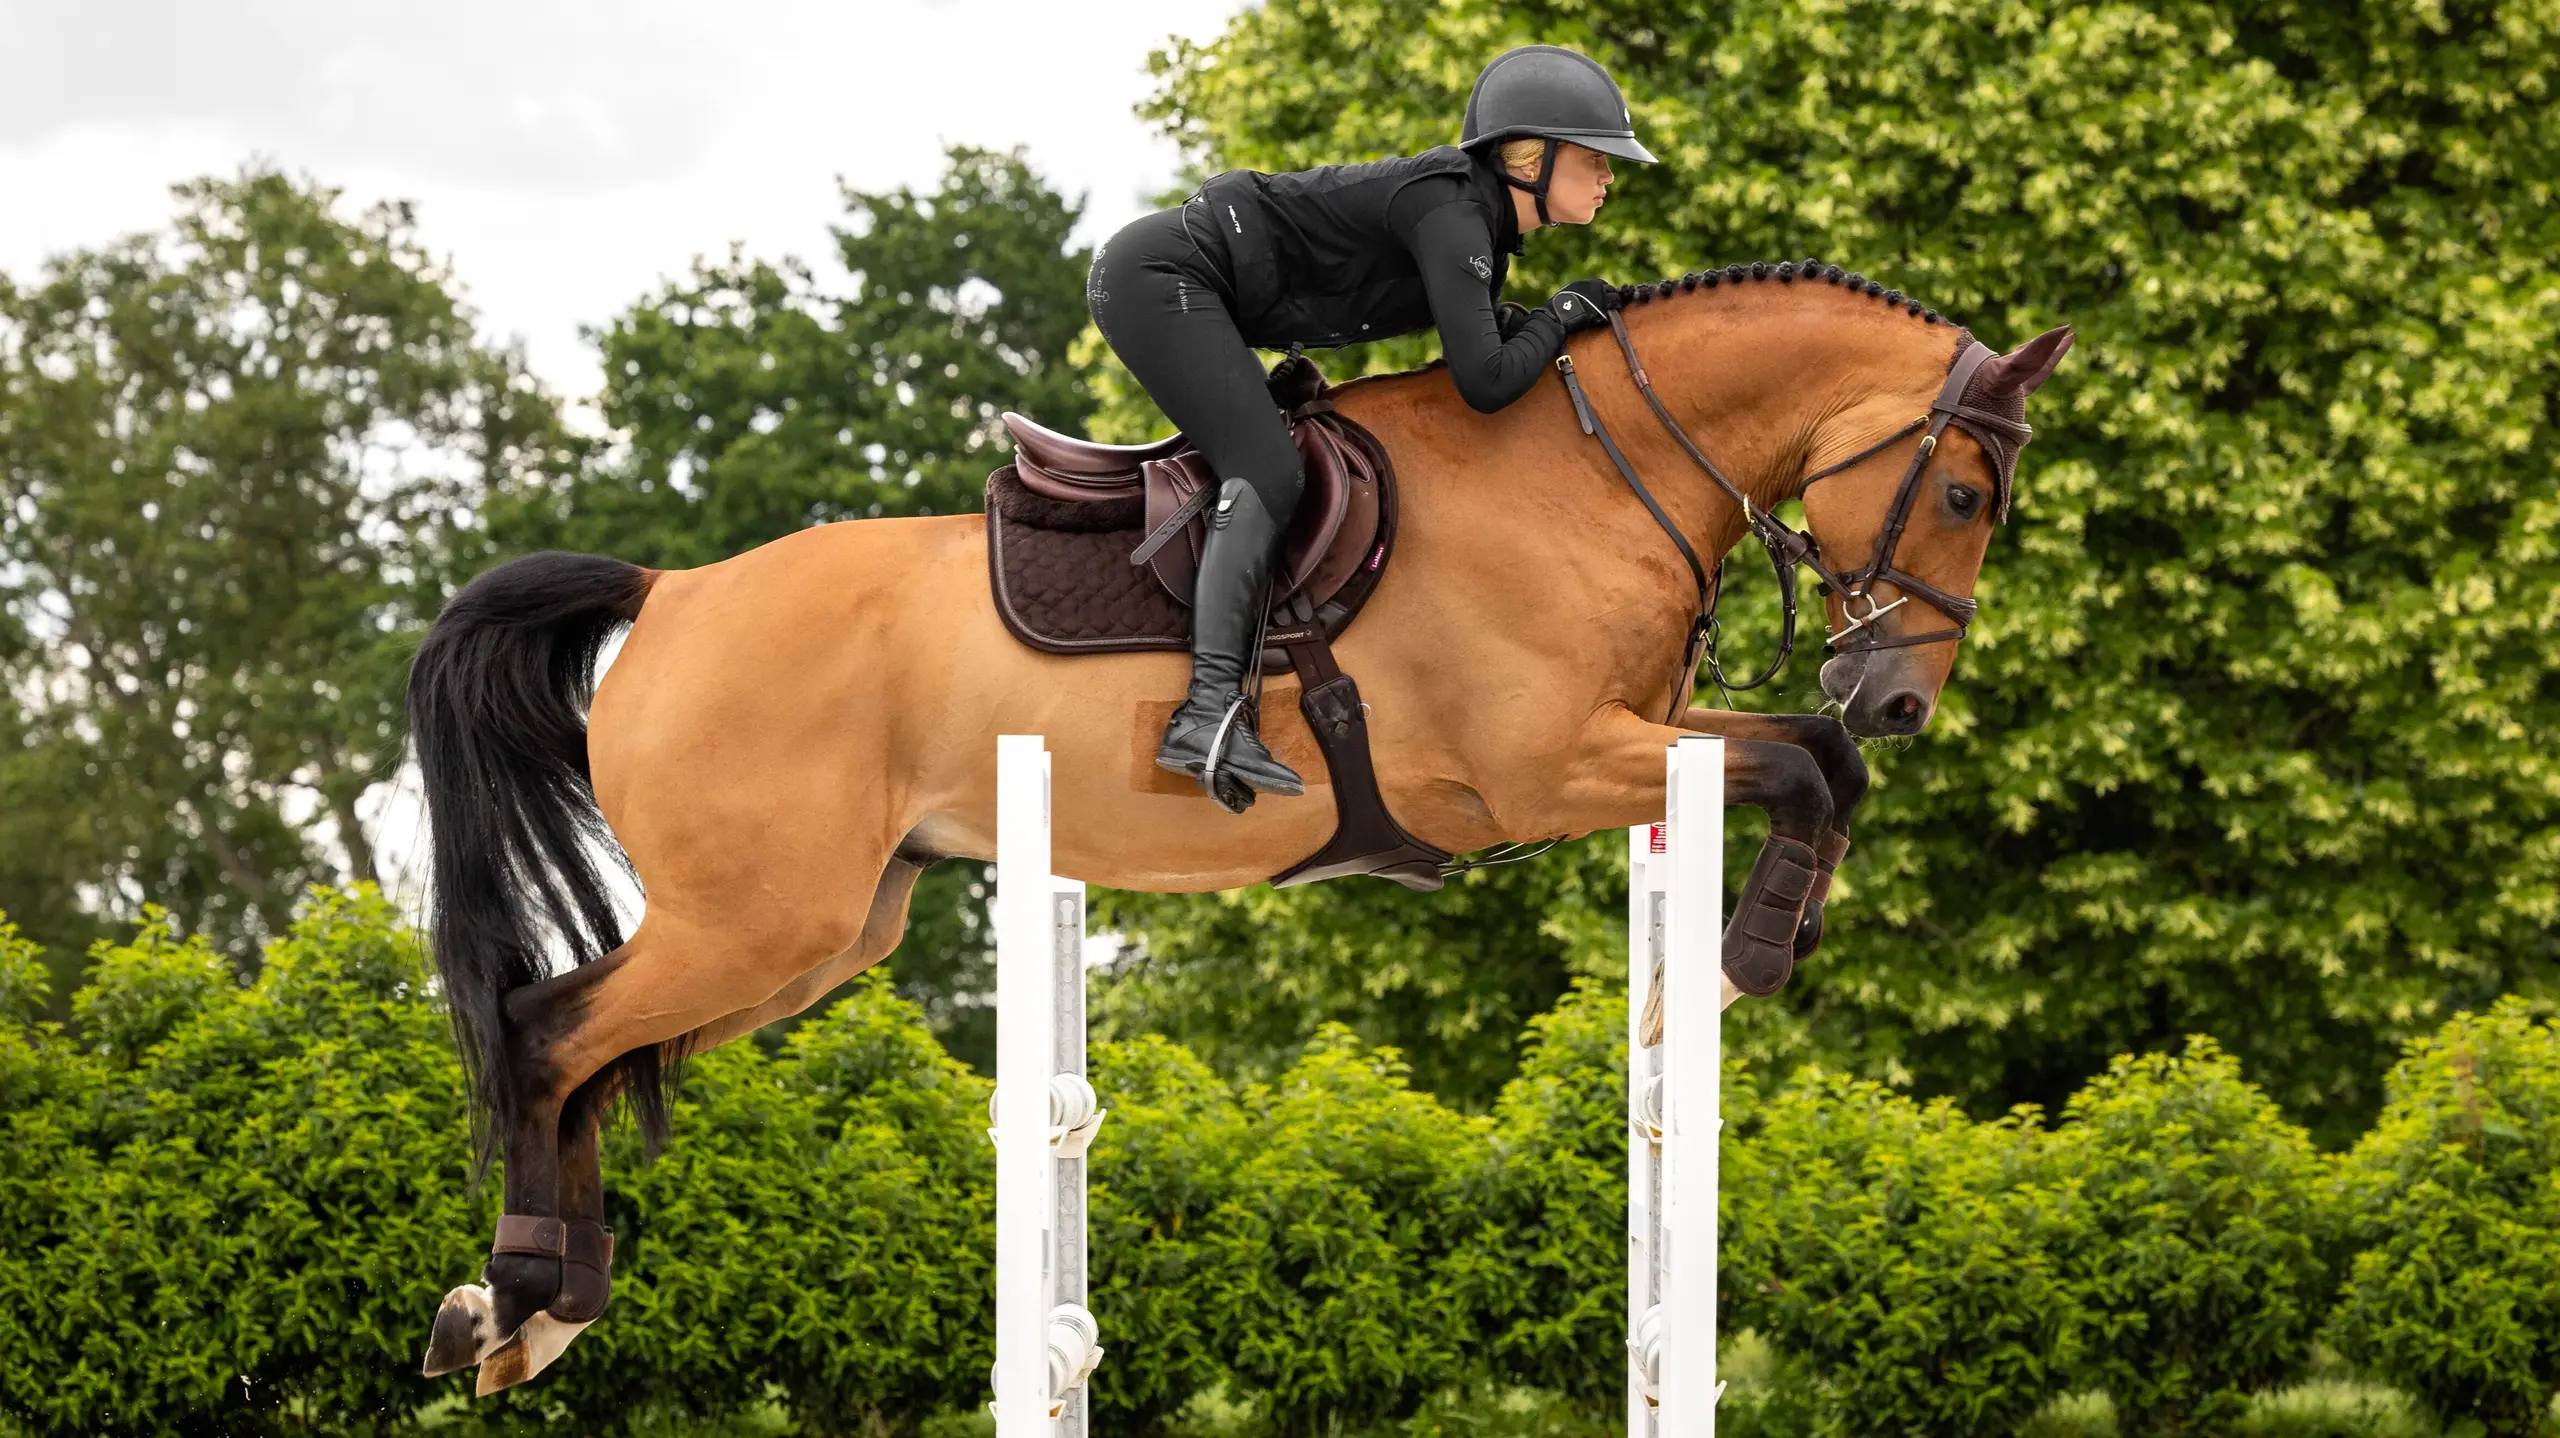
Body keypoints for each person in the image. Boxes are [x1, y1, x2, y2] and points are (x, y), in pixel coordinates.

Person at [1086, 44, 1655, 812]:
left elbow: (1494, 360)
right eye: (1596, 159)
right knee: (1269, 470)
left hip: (1190, 287)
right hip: (1159, 278)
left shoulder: (1478, 231)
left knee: (1276, 464)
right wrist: (1562, 312)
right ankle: (1207, 710)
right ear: (1532, 157)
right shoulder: (1454, 213)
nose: (1611, 177)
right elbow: (1485, 384)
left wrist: (1556, 323)